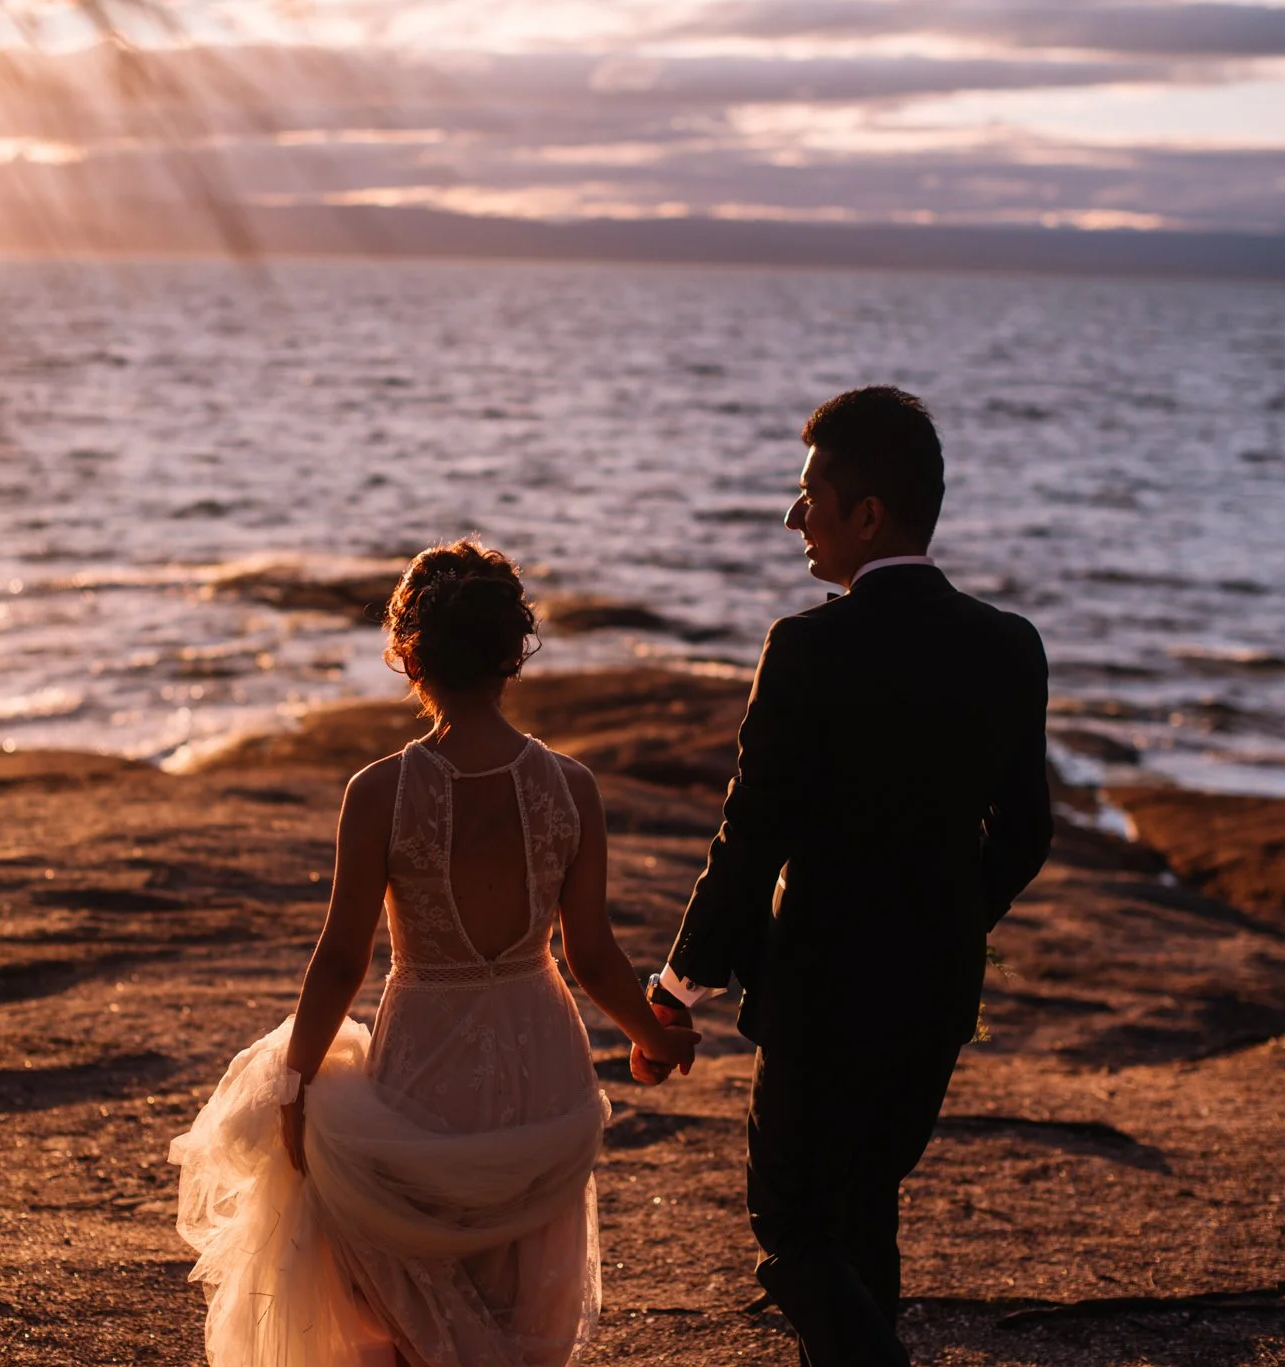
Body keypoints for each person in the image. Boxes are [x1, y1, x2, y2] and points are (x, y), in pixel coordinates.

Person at [171, 539, 699, 1367]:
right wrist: (656, 1036)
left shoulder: (380, 790)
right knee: (520, 1285)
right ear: (511, 652)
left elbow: (342, 960)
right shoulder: (573, 788)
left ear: (407, 653)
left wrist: (295, 1082)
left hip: (429, 1044)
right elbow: (591, 956)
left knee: (417, 1275)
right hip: (539, 1044)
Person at [631, 386, 1054, 1366]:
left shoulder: (806, 647)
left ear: (866, 514)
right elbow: (1025, 832)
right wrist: (946, 915)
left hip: (820, 990)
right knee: (867, 1202)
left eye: (808, 493)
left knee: (791, 1222)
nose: (793, 516)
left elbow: (751, 834)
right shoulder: (1008, 644)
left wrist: (676, 985)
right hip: (935, 989)